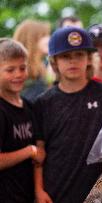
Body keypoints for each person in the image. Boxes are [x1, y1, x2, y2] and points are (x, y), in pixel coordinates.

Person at [33, 27, 102, 203]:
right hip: (56, 191)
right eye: (65, 56)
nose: (73, 61)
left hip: (99, 192)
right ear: (54, 62)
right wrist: (38, 190)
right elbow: (39, 152)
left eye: (79, 55)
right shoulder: (43, 102)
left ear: (88, 58)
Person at [0, 38, 44, 202]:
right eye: (10, 70)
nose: (18, 74)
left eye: (22, 68)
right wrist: (29, 151)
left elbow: (40, 151)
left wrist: (38, 190)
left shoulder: (29, 106)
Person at [13, 19, 51, 103]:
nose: (49, 39)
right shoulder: (20, 70)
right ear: (33, 39)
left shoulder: (43, 66)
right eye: (45, 35)